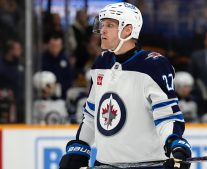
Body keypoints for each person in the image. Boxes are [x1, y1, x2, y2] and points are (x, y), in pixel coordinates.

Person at [59, 2, 191, 169]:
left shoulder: (153, 65)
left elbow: (166, 115)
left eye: (110, 25)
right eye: (102, 24)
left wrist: (175, 144)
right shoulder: (101, 62)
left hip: (148, 165)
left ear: (128, 30)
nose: (103, 30)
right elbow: (92, 114)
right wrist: (79, 148)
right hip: (104, 165)